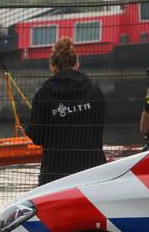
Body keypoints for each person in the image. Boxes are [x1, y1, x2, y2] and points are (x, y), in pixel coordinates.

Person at [26, 37, 106, 186]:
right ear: (76, 64)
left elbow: (35, 135)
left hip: (54, 175)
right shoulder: (94, 91)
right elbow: (98, 128)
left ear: (53, 66)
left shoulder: (43, 95)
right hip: (91, 173)